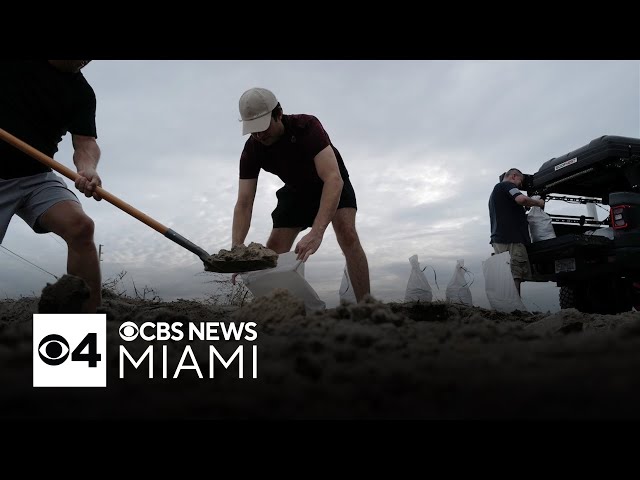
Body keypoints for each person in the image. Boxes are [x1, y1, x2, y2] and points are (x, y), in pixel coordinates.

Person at [230, 87, 370, 302]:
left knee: (348, 234)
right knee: (273, 253)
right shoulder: (252, 150)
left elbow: (333, 179)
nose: (259, 134)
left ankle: (366, 305)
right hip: (296, 191)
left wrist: (317, 231)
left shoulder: (306, 127)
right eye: (252, 130)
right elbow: (244, 202)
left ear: (278, 114)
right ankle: (277, 311)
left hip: (330, 183)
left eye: (263, 127)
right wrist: (236, 250)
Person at [0, 60, 103, 313]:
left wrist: (88, 168)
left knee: (81, 227)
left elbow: (85, 142)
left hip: (36, 176)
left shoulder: (82, 93)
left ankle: (84, 334)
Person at [488, 168, 545, 296]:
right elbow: (521, 199)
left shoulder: (496, 192)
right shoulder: (507, 185)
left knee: (507, 274)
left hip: (500, 239)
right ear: (514, 176)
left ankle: (508, 307)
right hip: (511, 239)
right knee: (515, 274)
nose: (520, 185)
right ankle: (515, 308)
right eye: (520, 181)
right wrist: (539, 203)